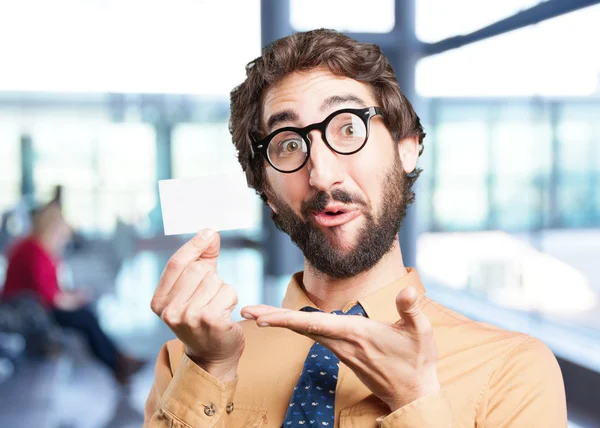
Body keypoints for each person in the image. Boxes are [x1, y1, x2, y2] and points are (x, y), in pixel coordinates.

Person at [144, 29, 567, 427]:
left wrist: (414, 398)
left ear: (406, 148)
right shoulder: (188, 361)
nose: (323, 175)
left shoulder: (514, 367)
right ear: (267, 191)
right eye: (289, 144)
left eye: (348, 127)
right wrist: (211, 369)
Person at [1, 200, 144, 384]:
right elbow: (46, 296)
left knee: (87, 314)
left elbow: (51, 289)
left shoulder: (41, 249)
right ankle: (118, 363)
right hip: (25, 310)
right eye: (62, 234)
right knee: (85, 318)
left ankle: (119, 359)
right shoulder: (33, 250)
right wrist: (72, 300)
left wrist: (72, 297)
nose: (64, 239)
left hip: (36, 306)